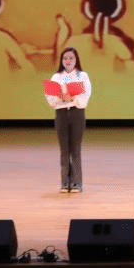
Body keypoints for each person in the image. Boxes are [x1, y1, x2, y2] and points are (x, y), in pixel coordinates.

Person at [45, 47, 92, 193]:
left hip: (77, 112)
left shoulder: (82, 76)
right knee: (64, 150)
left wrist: (72, 98)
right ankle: (65, 182)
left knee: (75, 149)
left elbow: (86, 95)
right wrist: (60, 98)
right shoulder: (56, 77)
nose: (68, 61)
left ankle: (77, 183)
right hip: (61, 114)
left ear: (76, 59)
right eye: (65, 58)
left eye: (71, 58)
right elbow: (50, 97)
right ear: (61, 60)